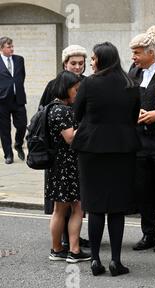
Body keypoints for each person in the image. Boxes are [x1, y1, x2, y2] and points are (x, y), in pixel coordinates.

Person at [72, 42, 141, 277]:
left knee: (95, 207)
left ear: (101, 59)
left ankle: (95, 260)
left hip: (92, 150)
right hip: (122, 150)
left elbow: (77, 113)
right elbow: (134, 118)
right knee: (117, 208)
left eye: (93, 58)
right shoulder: (131, 84)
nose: (91, 62)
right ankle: (116, 261)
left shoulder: (89, 83)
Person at [40, 45, 90, 251]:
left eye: (81, 63)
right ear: (64, 63)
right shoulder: (55, 87)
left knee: (68, 206)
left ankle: (70, 240)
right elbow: (43, 114)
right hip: (63, 154)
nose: (77, 67)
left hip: (75, 154)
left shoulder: (87, 83)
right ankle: (67, 243)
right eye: (73, 63)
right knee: (67, 205)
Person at [128, 33, 155, 252]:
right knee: (143, 189)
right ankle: (149, 234)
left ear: (151, 53)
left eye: (136, 53)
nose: (133, 57)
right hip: (138, 141)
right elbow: (127, 99)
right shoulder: (133, 72)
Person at [0, 37, 27, 164]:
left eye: (12, 46)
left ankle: (18, 144)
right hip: (2, 101)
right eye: (9, 47)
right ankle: (8, 155)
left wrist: (17, 88)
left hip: (18, 99)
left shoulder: (19, 59)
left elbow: (22, 76)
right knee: (4, 129)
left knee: (22, 125)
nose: (12, 49)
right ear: (1, 48)